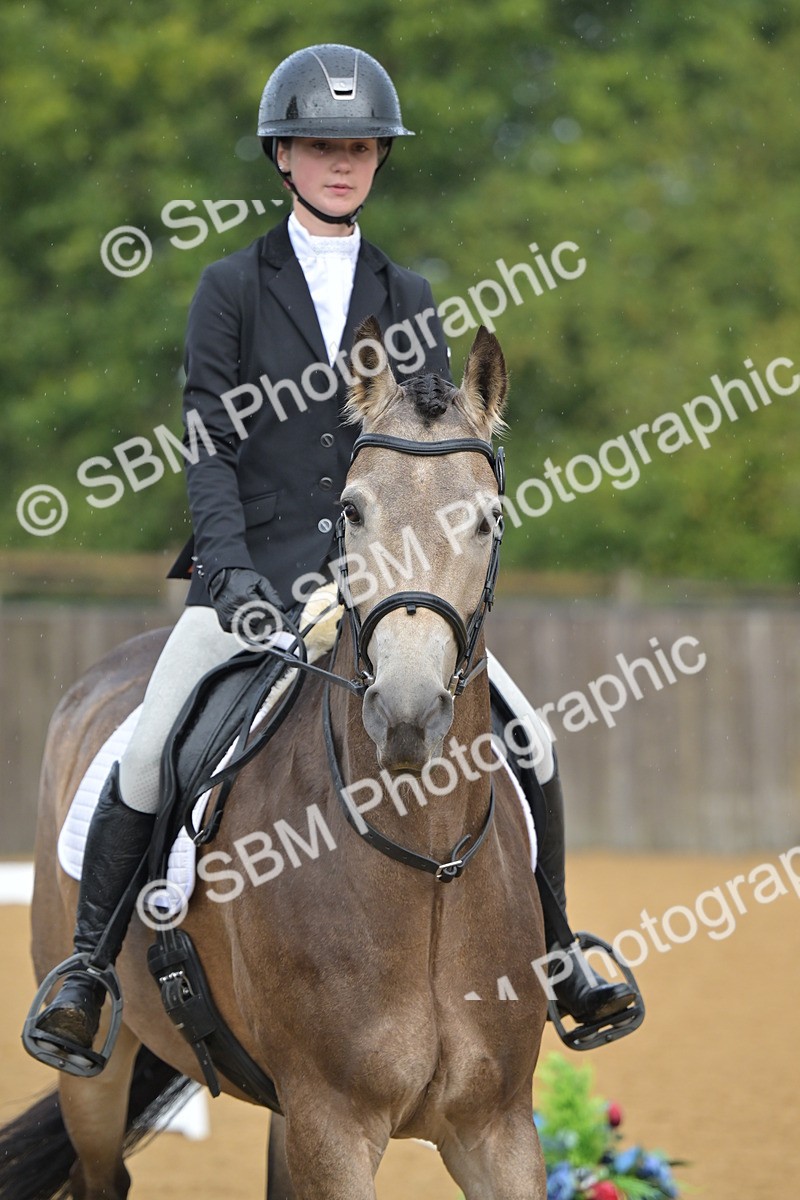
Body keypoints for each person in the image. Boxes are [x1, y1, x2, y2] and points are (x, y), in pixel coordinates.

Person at [29, 44, 638, 1069]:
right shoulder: (229, 288)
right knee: (145, 750)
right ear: (282, 157)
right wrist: (226, 574)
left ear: (377, 161)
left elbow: (440, 455)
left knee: (530, 738)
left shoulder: (411, 295)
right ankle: (89, 971)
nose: (340, 162)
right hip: (254, 577)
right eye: (321, 146)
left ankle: (559, 951)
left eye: (358, 147)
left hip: (387, 584)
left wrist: (423, 570)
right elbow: (210, 443)